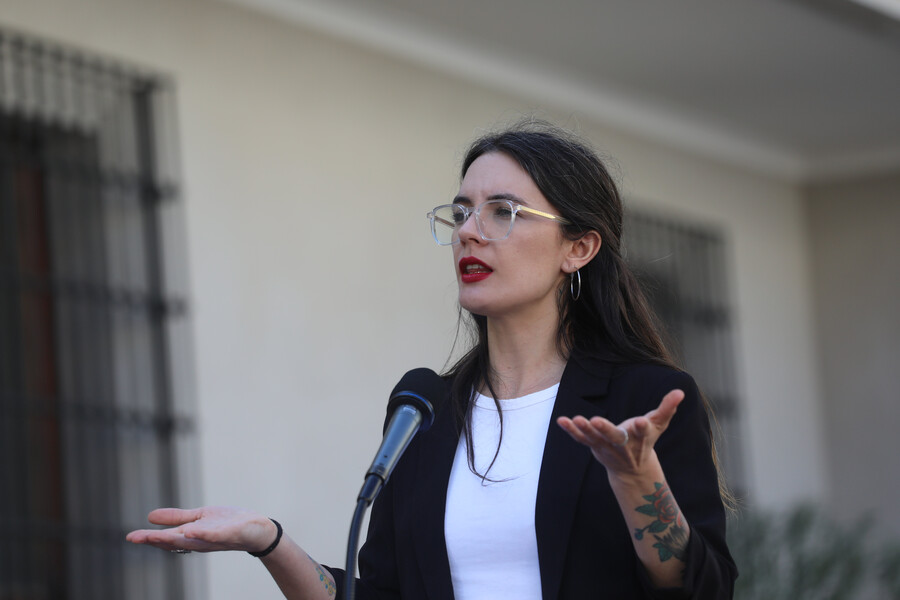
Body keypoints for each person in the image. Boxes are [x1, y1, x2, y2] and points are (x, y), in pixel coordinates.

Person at [127, 121, 737, 599]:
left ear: (578, 247)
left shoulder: (644, 400)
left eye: (504, 212)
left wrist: (637, 479)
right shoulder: (425, 410)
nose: (470, 231)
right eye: (462, 211)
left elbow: (702, 590)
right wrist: (269, 541)